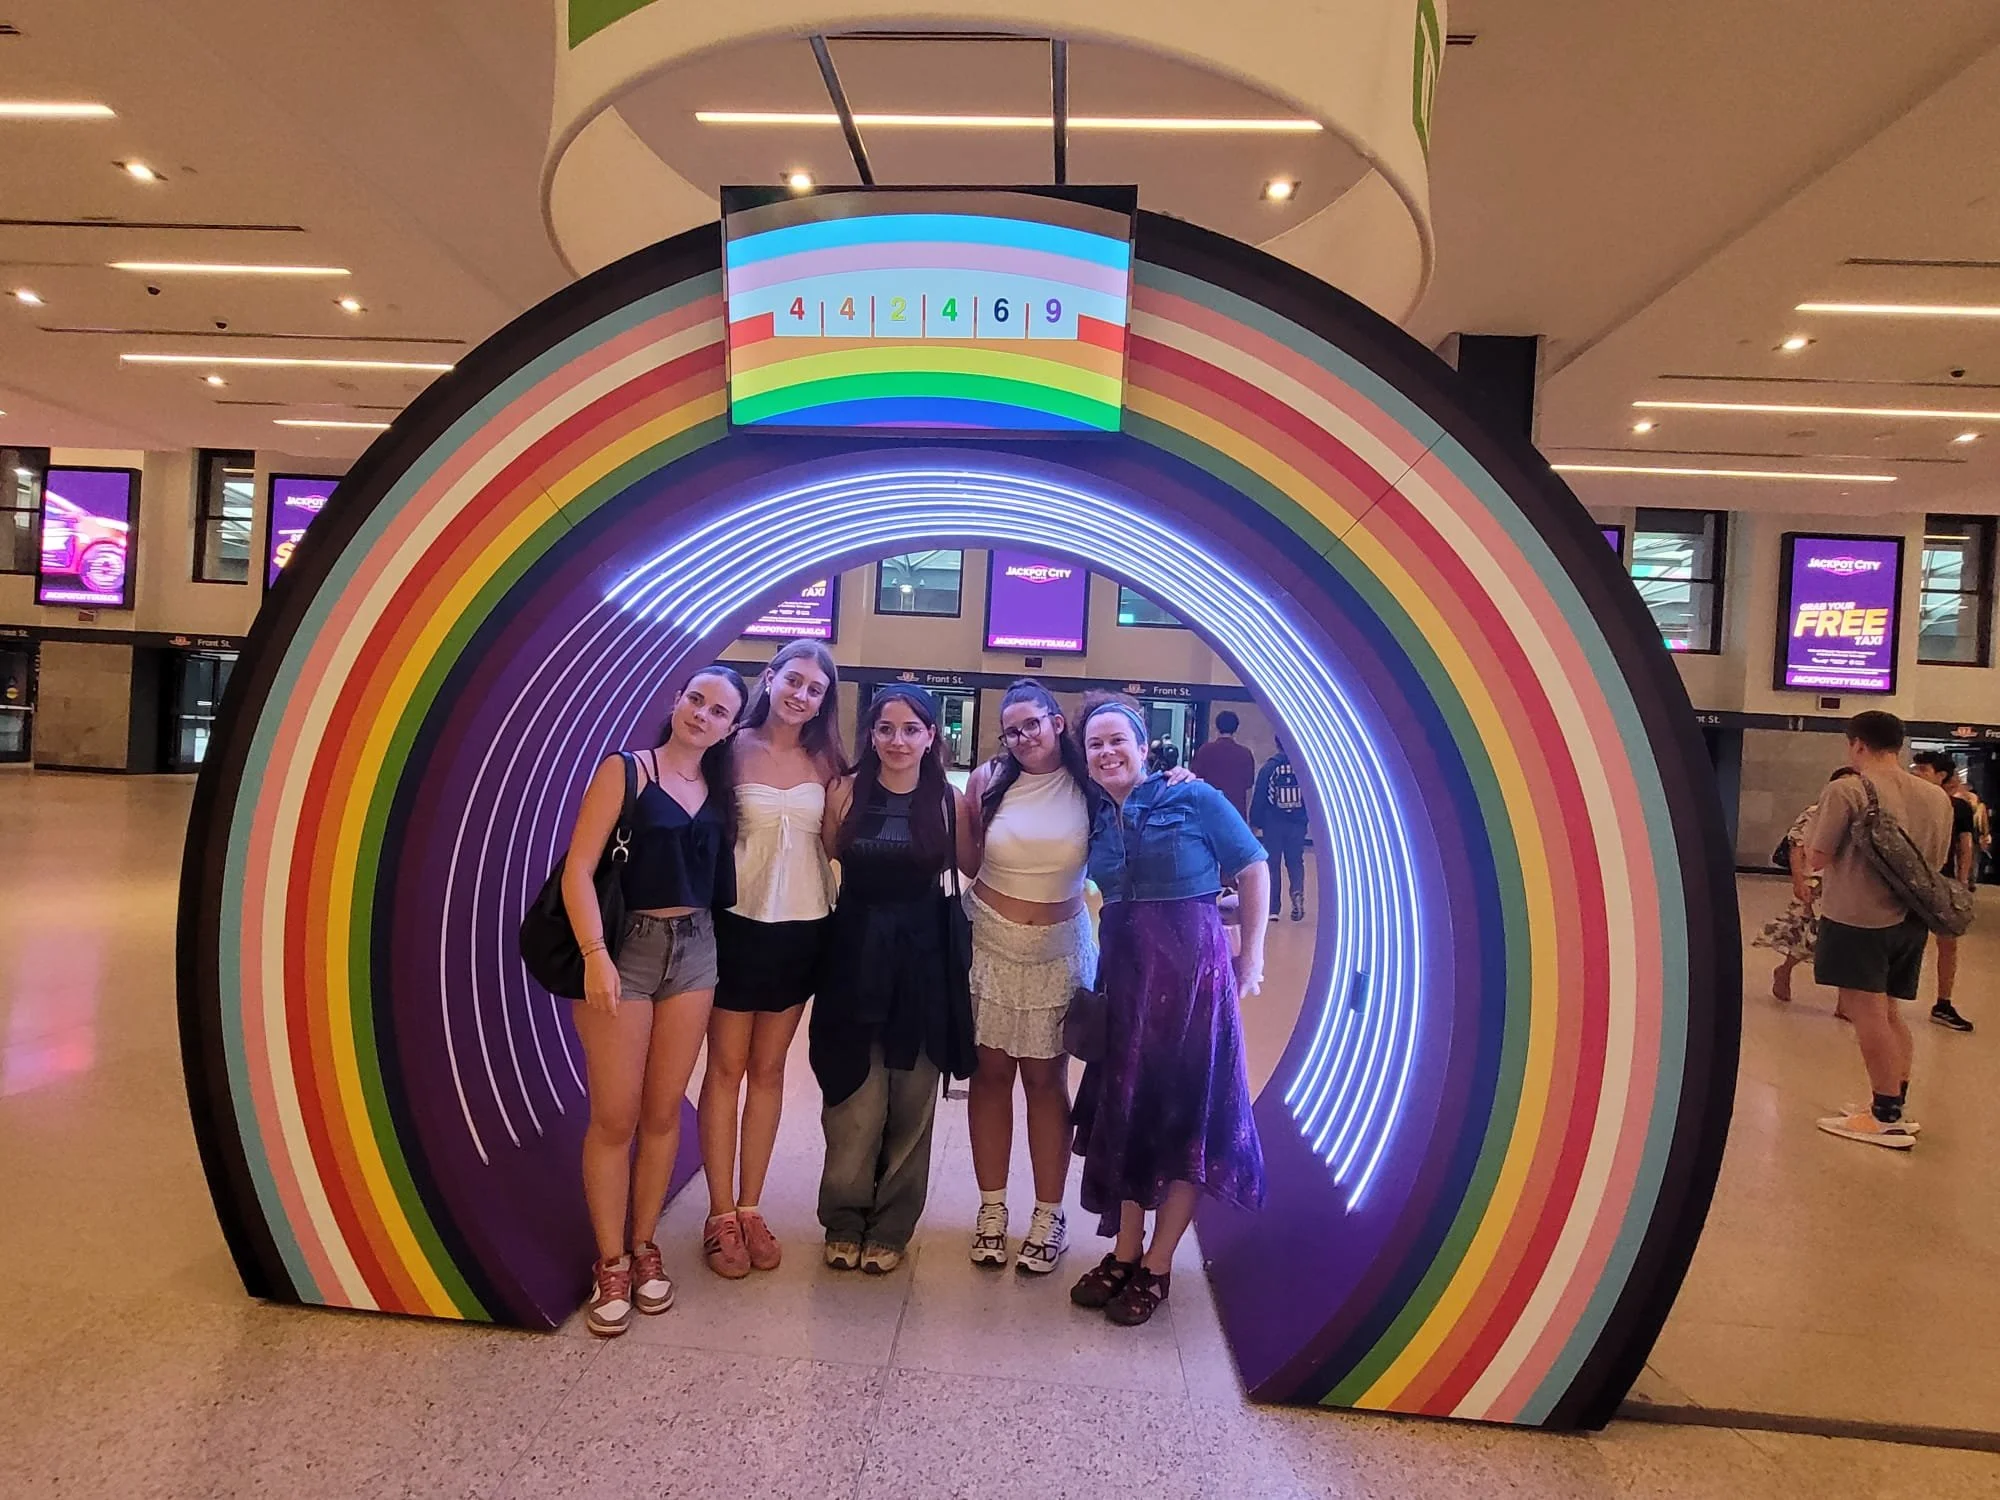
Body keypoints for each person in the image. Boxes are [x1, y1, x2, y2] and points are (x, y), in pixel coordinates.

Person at [1068, 695, 1269, 1326]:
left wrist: (1253, 956)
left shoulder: (1194, 797)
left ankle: (1157, 1265)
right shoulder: (1098, 814)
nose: (1106, 752)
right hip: (1126, 979)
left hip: (1192, 983)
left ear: (1144, 744)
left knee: (1185, 1117)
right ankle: (1124, 1251)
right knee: (1127, 1113)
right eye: (1095, 744)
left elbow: (1253, 865)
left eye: (1116, 740)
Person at [561, 665, 746, 1336]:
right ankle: (608, 1260)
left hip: (696, 949)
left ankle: (643, 1247)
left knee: (665, 1112)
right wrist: (594, 955)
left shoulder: (719, 786)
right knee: (615, 1115)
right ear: (676, 702)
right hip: (627, 946)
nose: (703, 714)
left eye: (720, 710)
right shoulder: (628, 769)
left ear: (730, 727)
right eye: (696, 699)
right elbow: (579, 867)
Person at [813, 686, 976, 1273]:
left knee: (913, 1097)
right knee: (853, 1093)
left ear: (932, 736)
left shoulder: (949, 803)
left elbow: (970, 868)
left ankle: (893, 1224)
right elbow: (833, 852)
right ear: (872, 734)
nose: (898, 740)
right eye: (886, 729)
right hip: (853, 953)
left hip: (923, 961)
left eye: (911, 729)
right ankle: (844, 1215)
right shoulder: (846, 791)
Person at [697, 640, 846, 1279]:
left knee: (769, 1070)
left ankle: (751, 1204)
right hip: (734, 925)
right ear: (772, 677)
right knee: (725, 1067)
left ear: (823, 702)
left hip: (802, 929)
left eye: (815, 689)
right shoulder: (728, 750)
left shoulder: (829, 761)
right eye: (795, 680)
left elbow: (841, 844)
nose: (801, 695)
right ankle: (719, 1212)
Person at [957, 681, 1098, 1275]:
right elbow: (968, 863)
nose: (1023, 738)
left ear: (1058, 721)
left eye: (1032, 724)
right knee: (990, 1076)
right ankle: (992, 1211)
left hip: (1059, 949)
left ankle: (1049, 1213)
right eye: (1012, 730)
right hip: (986, 939)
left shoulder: (1089, 780)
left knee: (1046, 1082)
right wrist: (966, 809)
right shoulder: (988, 780)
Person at [1808, 711, 1953, 1149]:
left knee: (1865, 1013)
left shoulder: (1848, 788)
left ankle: (1883, 1115)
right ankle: (1893, 1106)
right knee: (1890, 1011)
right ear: (1900, 744)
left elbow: (1817, 855)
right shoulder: (1936, 797)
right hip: (1911, 919)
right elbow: (1938, 862)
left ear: (1857, 745)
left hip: (1857, 916)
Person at [1753, 768, 1856, 1004]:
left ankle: (1844, 1002)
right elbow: (1796, 846)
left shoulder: (1862, 817)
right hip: (1816, 882)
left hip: (1848, 885)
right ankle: (1785, 969)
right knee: (1808, 936)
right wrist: (1799, 880)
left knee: (1845, 941)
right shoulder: (1814, 813)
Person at [1911, 751, 1977, 1034]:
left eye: (1923, 768)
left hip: (1944, 880)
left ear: (1941, 776)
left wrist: (1962, 883)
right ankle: (1882, 997)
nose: (1916, 772)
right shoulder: (1906, 802)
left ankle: (1943, 1003)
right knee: (1902, 938)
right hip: (1910, 880)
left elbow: (1965, 845)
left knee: (1947, 943)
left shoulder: (1958, 808)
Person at [1251, 741, 1309, 922]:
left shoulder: (1270, 767)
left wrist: (1255, 821)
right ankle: (1297, 892)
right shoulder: (1302, 768)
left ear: (1276, 743)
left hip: (1273, 822)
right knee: (1295, 862)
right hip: (1297, 823)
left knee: (1272, 864)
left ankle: (1273, 909)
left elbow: (1260, 795)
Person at [1191, 709, 1257, 818]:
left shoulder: (1205, 751)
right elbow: (1248, 788)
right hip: (1235, 812)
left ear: (1217, 726)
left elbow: (1195, 781)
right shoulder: (1245, 754)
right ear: (1236, 728)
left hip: (1209, 810)